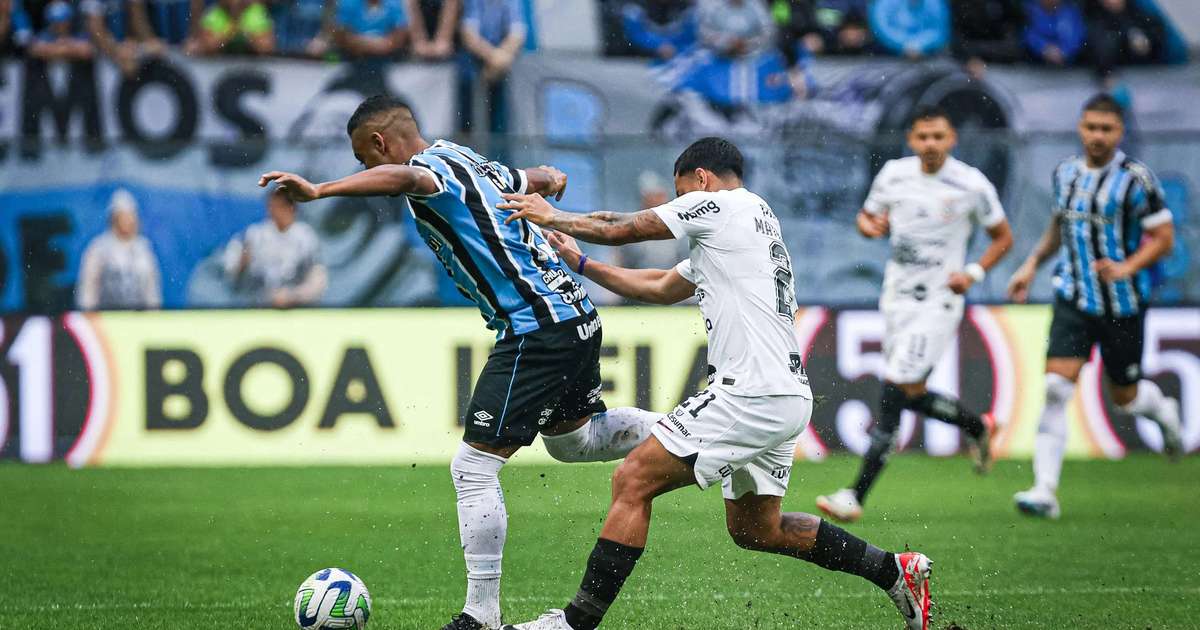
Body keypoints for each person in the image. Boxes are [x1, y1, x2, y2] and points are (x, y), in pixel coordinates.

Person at [258, 95, 661, 630]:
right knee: (574, 442)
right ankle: (690, 430)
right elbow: (528, 176)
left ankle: (481, 617)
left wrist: (321, 188)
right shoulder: (467, 157)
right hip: (575, 314)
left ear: (381, 143)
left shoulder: (427, 171)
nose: (366, 168)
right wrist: (550, 177)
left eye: (364, 158)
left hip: (535, 326)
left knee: (472, 467)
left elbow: (406, 181)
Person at [496, 137, 933, 630]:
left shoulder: (722, 205)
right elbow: (661, 287)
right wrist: (581, 262)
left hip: (749, 392)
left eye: (679, 194)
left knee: (633, 479)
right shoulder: (746, 225)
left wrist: (552, 215)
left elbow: (628, 227)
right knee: (756, 529)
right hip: (783, 394)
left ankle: (572, 623)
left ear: (700, 180)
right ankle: (893, 571)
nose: (677, 206)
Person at [814, 106, 1014, 524]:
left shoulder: (971, 184)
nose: (930, 145)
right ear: (911, 139)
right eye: (923, 137)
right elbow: (867, 218)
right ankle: (977, 426)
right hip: (897, 297)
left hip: (938, 301)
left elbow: (1003, 237)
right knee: (910, 392)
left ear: (952, 139)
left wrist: (973, 273)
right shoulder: (894, 174)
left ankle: (854, 494)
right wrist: (869, 227)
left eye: (938, 137)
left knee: (895, 390)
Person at [1007, 94, 1183, 519]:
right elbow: (1059, 227)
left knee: (1125, 398)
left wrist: (1127, 266)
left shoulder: (1136, 180)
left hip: (1121, 305)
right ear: (1080, 128)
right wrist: (1030, 265)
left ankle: (1163, 411)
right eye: (1090, 127)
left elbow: (1164, 240)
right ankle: (1044, 491)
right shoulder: (1065, 173)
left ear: (1120, 132)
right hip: (1073, 297)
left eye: (1106, 129)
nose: (1097, 136)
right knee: (1055, 388)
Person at [222, 188, 327, 308]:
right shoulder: (254, 235)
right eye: (271, 206)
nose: (273, 211)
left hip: (296, 308)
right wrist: (242, 263)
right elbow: (231, 275)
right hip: (257, 308)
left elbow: (318, 279)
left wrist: (293, 296)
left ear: (291, 208)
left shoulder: (306, 237)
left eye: (279, 206)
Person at [76, 188, 163, 311]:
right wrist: (89, 316)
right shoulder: (98, 248)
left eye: (131, 215)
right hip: (106, 319)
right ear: (114, 218)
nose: (129, 221)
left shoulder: (144, 249)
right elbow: (88, 290)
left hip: (138, 320)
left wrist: (154, 316)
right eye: (124, 216)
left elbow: (152, 290)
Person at [458, 0, 524, 135]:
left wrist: (498, 60)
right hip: (473, 69)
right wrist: (494, 57)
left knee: (499, 125)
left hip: (499, 71)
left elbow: (517, 34)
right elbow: (469, 36)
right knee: (467, 125)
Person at [1085, 0, 1165, 80]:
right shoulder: (1092, 19)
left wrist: (1148, 43)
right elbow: (1100, 50)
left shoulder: (1140, 13)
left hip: (1148, 75)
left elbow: (1158, 37)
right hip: (1112, 77)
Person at [81, 0, 167, 76]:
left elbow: (137, 18)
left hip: (129, 49)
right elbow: (96, 29)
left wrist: (148, 42)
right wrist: (116, 51)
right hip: (106, 56)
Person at [950, 0, 1025, 75]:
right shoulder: (961, 4)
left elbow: (1014, 48)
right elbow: (956, 41)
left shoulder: (1005, 5)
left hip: (1003, 62)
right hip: (966, 58)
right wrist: (969, 57)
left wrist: (975, 51)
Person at [185, 0, 275, 56]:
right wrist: (233, 31)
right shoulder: (214, 14)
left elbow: (267, 47)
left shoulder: (255, 12)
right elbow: (207, 46)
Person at [869, 0, 950, 59]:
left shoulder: (935, 3)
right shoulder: (884, 3)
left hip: (928, 57)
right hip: (887, 57)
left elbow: (940, 30)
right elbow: (882, 29)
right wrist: (905, 45)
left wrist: (918, 45)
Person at [696, 0, 775, 59]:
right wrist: (725, 42)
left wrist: (748, 44)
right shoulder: (713, 7)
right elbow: (704, 33)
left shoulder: (757, 7)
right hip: (719, 58)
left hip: (752, 58)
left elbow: (768, 33)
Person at [333, 0, 408, 60]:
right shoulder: (348, 2)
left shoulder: (394, 3)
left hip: (387, 56)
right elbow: (340, 33)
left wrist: (383, 45)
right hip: (353, 56)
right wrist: (366, 44)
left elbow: (400, 34)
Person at [1023, 0, 1084, 67]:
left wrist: (1063, 52)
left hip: (1069, 67)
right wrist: (1044, 48)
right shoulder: (1030, 11)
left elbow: (1077, 36)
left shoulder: (1070, 13)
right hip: (1034, 65)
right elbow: (1028, 34)